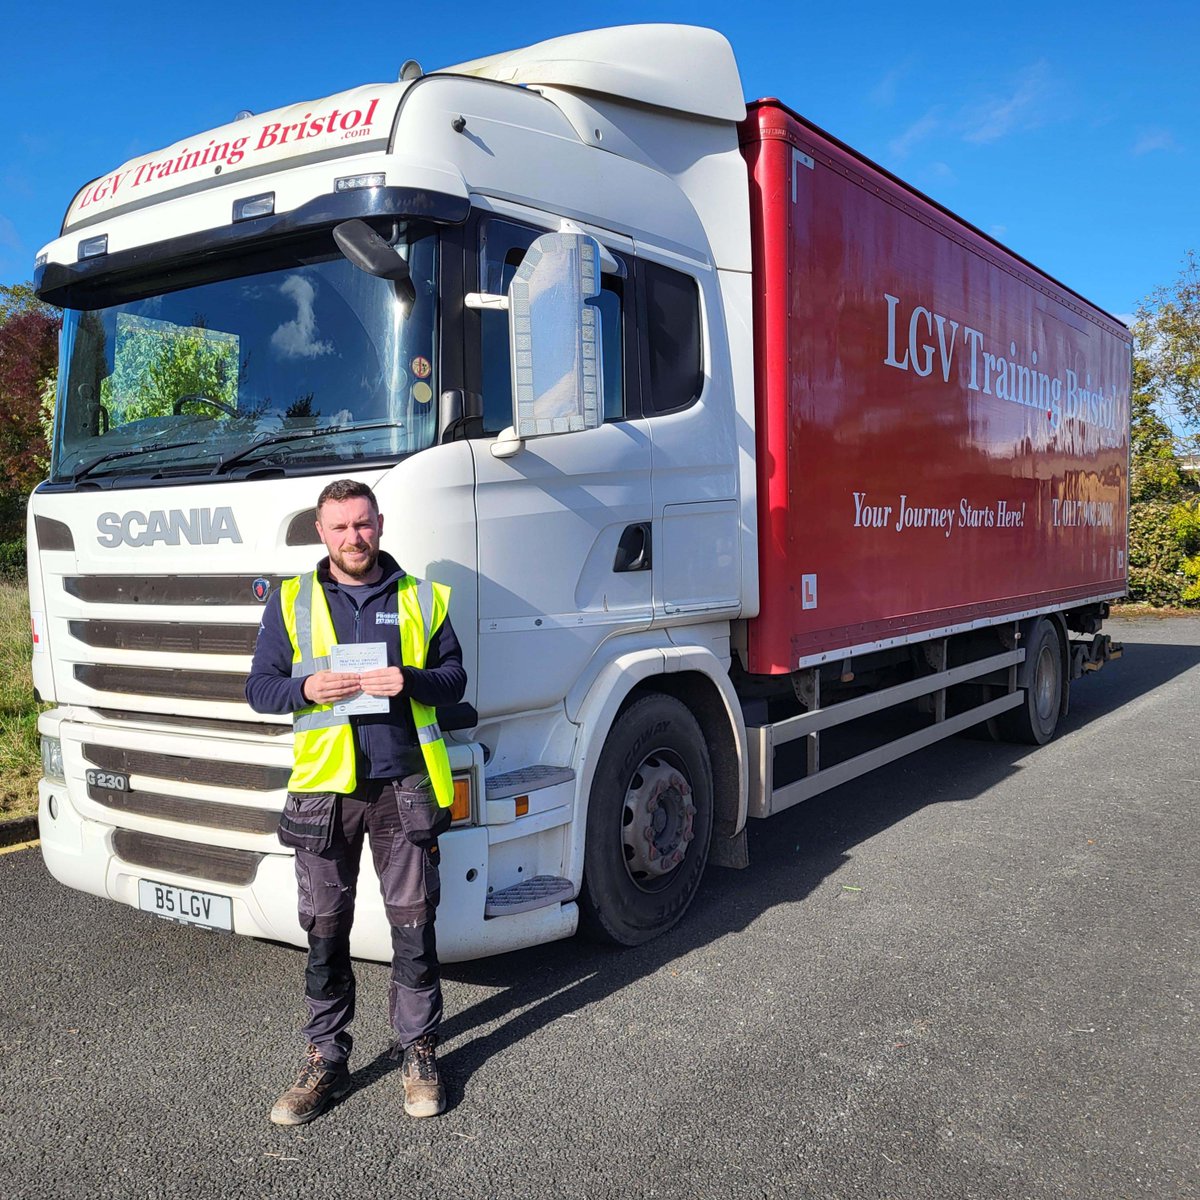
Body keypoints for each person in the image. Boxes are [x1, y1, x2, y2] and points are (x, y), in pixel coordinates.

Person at [246, 478, 466, 1125]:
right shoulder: (291, 601)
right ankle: (325, 1059)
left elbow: (454, 681)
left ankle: (419, 1050)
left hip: (404, 790)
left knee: (413, 926)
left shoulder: (421, 597)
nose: (353, 537)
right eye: (340, 527)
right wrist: (307, 685)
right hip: (325, 796)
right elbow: (259, 689)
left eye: (363, 524)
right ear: (322, 532)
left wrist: (412, 680)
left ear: (380, 524)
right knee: (323, 931)